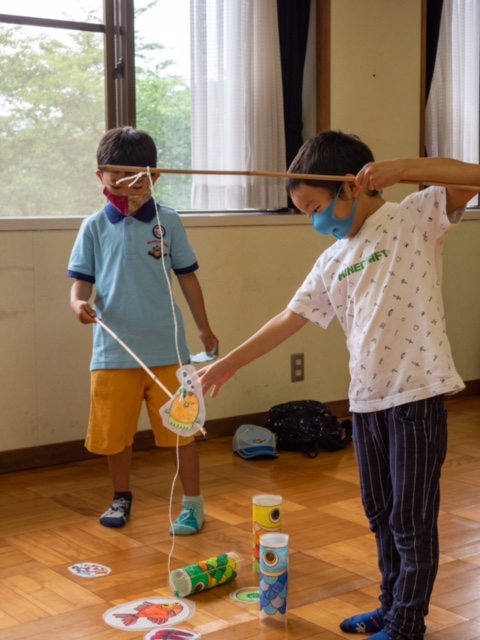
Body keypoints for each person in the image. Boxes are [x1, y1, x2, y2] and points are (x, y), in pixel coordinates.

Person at [198, 130, 480, 640]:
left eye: (315, 207)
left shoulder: (414, 216)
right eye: (305, 212)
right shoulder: (333, 259)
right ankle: (390, 607)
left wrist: (401, 168)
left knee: (410, 519)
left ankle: (407, 625)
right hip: (366, 401)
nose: (314, 221)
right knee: (380, 514)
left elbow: (475, 177)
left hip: (416, 394)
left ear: (350, 186)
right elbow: (289, 318)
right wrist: (228, 365)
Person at [68, 126, 218, 535]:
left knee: (182, 431)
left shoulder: (168, 221)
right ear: (101, 177)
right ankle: (121, 496)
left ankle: (192, 503)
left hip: (168, 350)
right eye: (116, 178)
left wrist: (204, 329)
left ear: (154, 177)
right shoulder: (93, 227)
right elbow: (80, 283)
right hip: (113, 351)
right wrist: (78, 303)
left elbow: (187, 277)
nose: (126, 187)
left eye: (136, 178)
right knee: (115, 436)